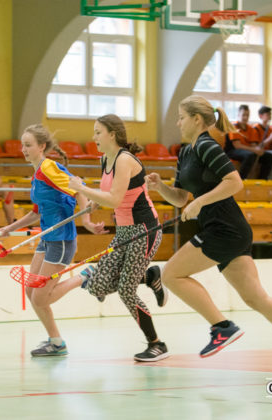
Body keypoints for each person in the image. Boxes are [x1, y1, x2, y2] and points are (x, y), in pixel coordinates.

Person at [145, 95, 272, 377]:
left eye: (181, 117)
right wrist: (160, 187)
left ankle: (222, 327)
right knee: (257, 298)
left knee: (171, 275)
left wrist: (200, 202)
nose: (178, 123)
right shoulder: (185, 153)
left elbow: (235, 182)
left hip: (225, 229)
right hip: (224, 230)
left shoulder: (207, 146)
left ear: (197, 119)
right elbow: (181, 198)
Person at [56, 114, 170, 362]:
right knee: (97, 287)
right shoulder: (105, 159)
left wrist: (82, 188)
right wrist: (93, 204)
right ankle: (149, 276)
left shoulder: (124, 160)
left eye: (98, 132)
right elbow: (107, 193)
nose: (94, 137)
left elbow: (116, 199)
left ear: (112, 134)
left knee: (126, 290)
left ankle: (156, 344)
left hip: (144, 230)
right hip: (124, 231)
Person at [0, 124, 105, 357]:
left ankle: (85, 276)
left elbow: (78, 189)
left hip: (61, 240)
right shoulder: (37, 174)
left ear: (42, 146)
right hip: (47, 238)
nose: (23, 149)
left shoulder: (48, 168)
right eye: (22, 145)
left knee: (41, 297)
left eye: (28, 145)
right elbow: (36, 212)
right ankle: (56, 342)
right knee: (31, 292)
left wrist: (86, 221)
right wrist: (9, 228)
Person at [225, 105, 272, 180]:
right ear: (238, 115)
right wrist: (254, 150)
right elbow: (237, 145)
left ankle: (262, 180)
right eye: (243, 115)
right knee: (250, 155)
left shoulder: (251, 128)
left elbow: (253, 145)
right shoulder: (234, 126)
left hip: (247, 151)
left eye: (247, 115)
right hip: (232, 151)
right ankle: (241, 179)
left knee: (269, 156)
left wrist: (258, 150)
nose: (245, 117)